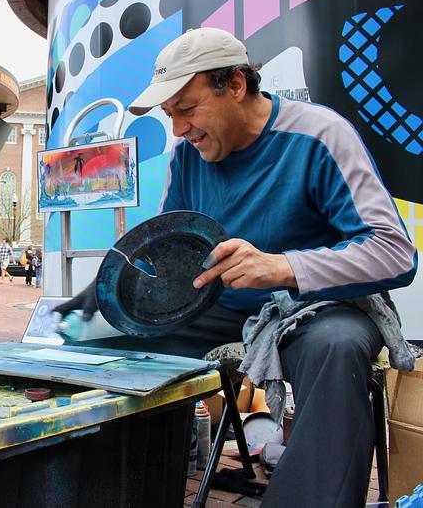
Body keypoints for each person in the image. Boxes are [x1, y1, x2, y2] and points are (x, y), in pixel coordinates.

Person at [56, 28, 417, 508]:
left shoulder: (320, 134)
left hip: (314, 309)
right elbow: (171, 256)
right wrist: (117, 296)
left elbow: (395, 251)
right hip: (221, 305)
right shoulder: (189, 156)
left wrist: (283, 267)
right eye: (170, 116)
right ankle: (112, 490)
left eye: (187, 108)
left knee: (338, 347)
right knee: (94, 340)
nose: (180, 129)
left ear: (237, 86)